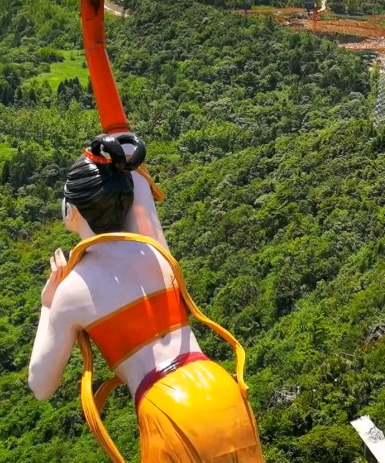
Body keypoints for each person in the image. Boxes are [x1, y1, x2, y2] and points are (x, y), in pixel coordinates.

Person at [29, 133, 262, 462]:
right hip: (219, 385)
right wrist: (119, 154)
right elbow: (137, 180)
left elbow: (41, 385)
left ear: (74, 210)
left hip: (168, 405)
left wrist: (47, 304)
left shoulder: (71, 291)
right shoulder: (152, 247)